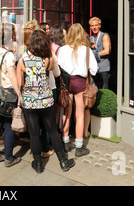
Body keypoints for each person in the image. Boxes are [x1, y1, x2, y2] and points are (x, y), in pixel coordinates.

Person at [17, 29, 75, 173]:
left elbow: (20, 82)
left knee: (34, 133)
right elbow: (57, 74)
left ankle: (37, 164)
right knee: (53, 131)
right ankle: (63, 161)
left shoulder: (23, 60)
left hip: (29, 101)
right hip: (46, 100)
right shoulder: (49, 59)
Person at [58, 23, 98, 157]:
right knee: (79, 114)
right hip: (80, 82)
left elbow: (58, 67)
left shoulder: (63, 49)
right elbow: (94, 69)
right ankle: (79, 146)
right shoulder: (86, 49)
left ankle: (65, 142)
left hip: (67, 82)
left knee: (66, 112)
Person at [0, 23, 22, 167]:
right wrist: (19, 94)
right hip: (8, 92)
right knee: (9, 126)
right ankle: (9, 158)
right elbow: (13, 77)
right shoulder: (8, 55)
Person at [89, 17, 111, 89]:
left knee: (104, 89)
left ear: (100, 26)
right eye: (92, 25)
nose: (94, 27)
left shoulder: (104, 36)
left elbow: (106, 51)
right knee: (93, 89)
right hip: (93, 68)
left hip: (103, 67)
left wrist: (94, 54)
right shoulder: (90, 38)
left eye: (96, 25)